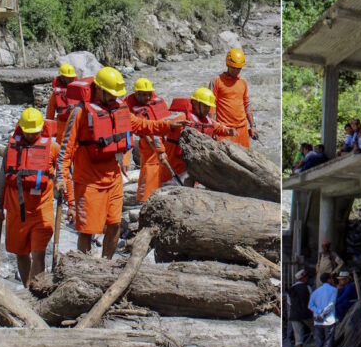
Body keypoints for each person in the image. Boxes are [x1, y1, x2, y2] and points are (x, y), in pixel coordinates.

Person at [56, 67, 188, 258]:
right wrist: (61, 177)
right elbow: (65, 151)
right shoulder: (80, 112)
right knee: (87, 230)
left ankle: (106, 264)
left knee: (115, 224)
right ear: (99, 90)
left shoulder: (119, 108)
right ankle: (82, 266)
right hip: (88, 182)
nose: (113, 98)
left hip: (113, 179)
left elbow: (141, 125)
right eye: (110, 94)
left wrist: (167, 125)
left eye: (115, 95)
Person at [0, 108, 59, 287]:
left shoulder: (52, 148)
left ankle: (37, 290)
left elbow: (63, 174)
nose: (31, 136)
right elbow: (2, 178)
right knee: (21, 253)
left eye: (35, 132)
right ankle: (28, 287)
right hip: (16, 210)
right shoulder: (11, 148)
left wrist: (67, 195)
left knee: (38, 252)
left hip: (41, 209)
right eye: (28, 132)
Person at [159, 88, 235, 186]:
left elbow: (217, 127)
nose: (207, 109)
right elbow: (158, 128)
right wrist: (160, 150)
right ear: (194, 103)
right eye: (205, 106)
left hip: (191, 167)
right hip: (174, 166)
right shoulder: (181, 118)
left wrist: (228, 131)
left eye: (209, 107)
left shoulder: (207, 120)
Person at [125, 78, 171, 202]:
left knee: (161, 172)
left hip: (163, 142)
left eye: (149, 94)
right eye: (144, 95)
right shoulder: (129, 107)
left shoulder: (157, 103)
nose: (147, 98)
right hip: (149, 145)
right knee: (149, 171)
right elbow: (150, 133)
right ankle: (144, 200)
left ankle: (158, 196)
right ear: (136, 94)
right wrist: (160, 150)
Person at [208, 48, 258, 148]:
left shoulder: (243, 82)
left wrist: (253, 126)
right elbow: (210, 107)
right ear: (228, 65)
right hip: (225, 130)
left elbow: (247, 104)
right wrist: (212, 129)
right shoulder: (216, 81)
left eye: (239, 68)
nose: (236, 71)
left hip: (242, 130)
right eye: (234, 68)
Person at [46, 63, 78, 143]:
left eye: (72, 77)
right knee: (61, 149)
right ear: (62, 77)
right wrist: (48, 131)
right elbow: (50, 112)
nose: (71, 79)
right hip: (62, 126)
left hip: (76, 124)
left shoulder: (78, 89)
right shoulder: (56, 93)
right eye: (69, 78)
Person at [309, 272, 338, 347]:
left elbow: (310, 305)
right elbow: (331, 304)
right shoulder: (334, 290)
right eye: (331, 278)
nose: (332, 280)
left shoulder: (316, 291)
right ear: (329, 279)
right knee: (329, 343)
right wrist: (323, 313)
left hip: (318, 321)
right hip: (328, 320)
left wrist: (318, 312)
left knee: (319, 342)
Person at [288, 269, 313, 347]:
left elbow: (289, 303)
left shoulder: (291, 289)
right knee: (316, 330)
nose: (307, 279)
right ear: (303, 278)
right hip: (306, 314)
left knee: (297, 335)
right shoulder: (308, 288)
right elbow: (311, 301)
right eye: (306, 277)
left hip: (294, 315)